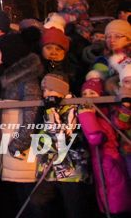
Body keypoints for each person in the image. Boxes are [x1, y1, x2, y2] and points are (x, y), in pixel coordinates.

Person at [28, 73, 89, 217]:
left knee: (73, 210)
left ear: (61, 90)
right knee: (39, 205)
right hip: (48, 171)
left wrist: (50, 110)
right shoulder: (48, 108)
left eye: (50, 90)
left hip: (71, 172)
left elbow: (62, 139)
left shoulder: (73, 107)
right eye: (43, 91)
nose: (45, 94)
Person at [78, 74, 131, 215]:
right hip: (98, 161)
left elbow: (97, 137)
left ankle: (116, 212)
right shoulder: (89, 113)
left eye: (92, 93)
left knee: (115, 194)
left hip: (110, 159)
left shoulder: (106, 112)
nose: (88, 97)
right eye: (84, 94)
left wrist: (125, 107)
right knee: (105, 192)